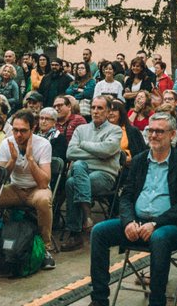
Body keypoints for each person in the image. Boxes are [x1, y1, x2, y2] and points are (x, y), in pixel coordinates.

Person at [88, 111, 177, 306]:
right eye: (150, 130)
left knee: (159, 237)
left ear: (172, 135)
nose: (153, 135)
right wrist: (128, 221)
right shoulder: (139, 160)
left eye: (159, 131)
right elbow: (126, 196)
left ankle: (157, 302)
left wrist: (156, 224)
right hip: (137, 223)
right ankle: (99, 299)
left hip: (169, 226)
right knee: (99, 232)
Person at [0, 110, 56, 268]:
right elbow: (1, 179)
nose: (18, 135)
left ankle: (45, 248)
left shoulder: (43, 144)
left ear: (32, 129)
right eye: (15, 130)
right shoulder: (7, 143)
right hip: (15, 188)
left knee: (44, 200)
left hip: (36, 189)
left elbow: (44, 183)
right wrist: (13, 160)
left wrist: (30, 158)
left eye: (23, 131)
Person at [61, 96, 123, 250]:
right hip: (82, 173)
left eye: (100, 108)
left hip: (104, 175)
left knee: (72, 182)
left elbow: (107, 150)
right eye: (93, 107)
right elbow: (70, 152)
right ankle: (86, 214)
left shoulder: (115, 130)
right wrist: (98, 153)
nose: (95, 111)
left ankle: (75, 233)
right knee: (76, 172)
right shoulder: (81, 129)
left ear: (108, 111)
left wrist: (83, 144)